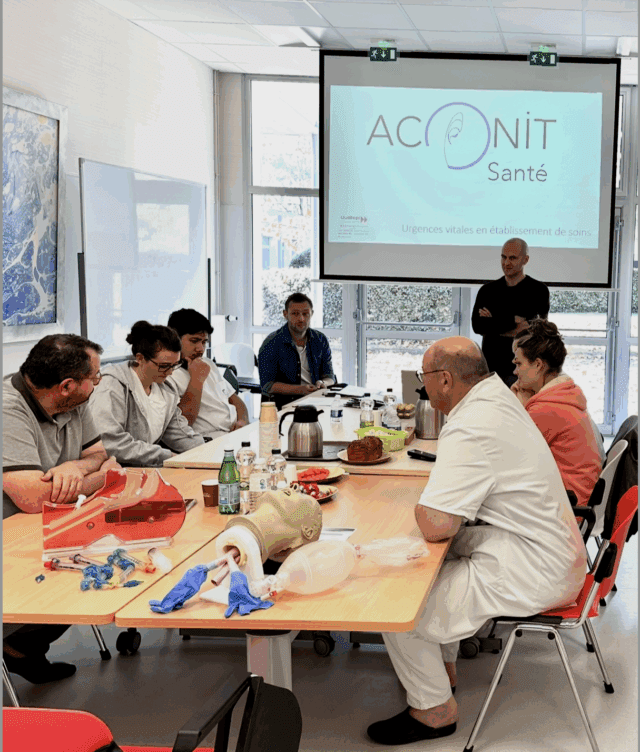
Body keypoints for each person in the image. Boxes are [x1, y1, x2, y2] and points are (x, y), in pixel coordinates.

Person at [367, 337, 586, 746]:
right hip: (547, 547)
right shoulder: (496, 400)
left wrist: (419, 506)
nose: (422, 387)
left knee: (396, 601)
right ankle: (443, 671)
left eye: (424, 377)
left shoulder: (470, 425)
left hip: (537, 567)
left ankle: (434, 710)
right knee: (435, 562)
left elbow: (437, 524)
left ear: (445, 380)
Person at [2, 334, 121, 684]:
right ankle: (17, 646)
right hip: (13, 535)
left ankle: (22, 648)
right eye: (94, 378)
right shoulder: (7, 409)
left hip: (51, 524)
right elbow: (33, 499)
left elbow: (99, 455)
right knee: (79, 568)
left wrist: (74, 469)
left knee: (101, 559)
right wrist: (100, 478)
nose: (97, 384)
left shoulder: (73, 400)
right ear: (67, 385)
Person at [511, 319, 605, 507]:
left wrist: (519, 408)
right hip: (573, 499)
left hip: (563, 508)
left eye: (519, 363)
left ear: (538, 365)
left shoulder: (546, 409)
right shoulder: (565, 394)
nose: (515, 371)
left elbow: (509, 458)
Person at [91, 321, 205, 466]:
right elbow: (110, 443)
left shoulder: (166, 388)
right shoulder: (112, 386)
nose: (170, 372)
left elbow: (178, 433)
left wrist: (206, 450)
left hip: (145, 468)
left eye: (174, 365)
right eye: (164, 366)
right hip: (113, 469)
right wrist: (165, 456)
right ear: (140, 358)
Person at [472, 237, 550, 386]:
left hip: (524, 371)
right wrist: (514, 321)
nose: (506, 263)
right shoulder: (487, 291)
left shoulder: (538, 291)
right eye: (504, 257)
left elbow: (535, 331)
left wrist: (493, 323)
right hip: (491, 368)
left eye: (512, 258)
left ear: (525, 260)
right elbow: (478, 326)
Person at [166, 308, 249, 439]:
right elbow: (183, 424)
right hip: (209, 439)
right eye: (194, 341)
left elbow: (235, 400)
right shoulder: (167, 375)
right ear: (174, 339)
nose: (201, 349)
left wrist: (242, 421)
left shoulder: (207, 363)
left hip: (236, 433)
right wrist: (196, 380)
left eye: (204, 342)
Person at [258, 292, 335, 409]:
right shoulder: (271, 343)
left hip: (317, 401)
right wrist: (300, 390)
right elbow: (267, 385)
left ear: (312, 314)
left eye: (305, 314)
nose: (301, 319)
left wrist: (323, 383)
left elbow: (329, 376)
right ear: (285, 314)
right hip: (285, 404)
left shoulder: (320, 339)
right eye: (295, 314)